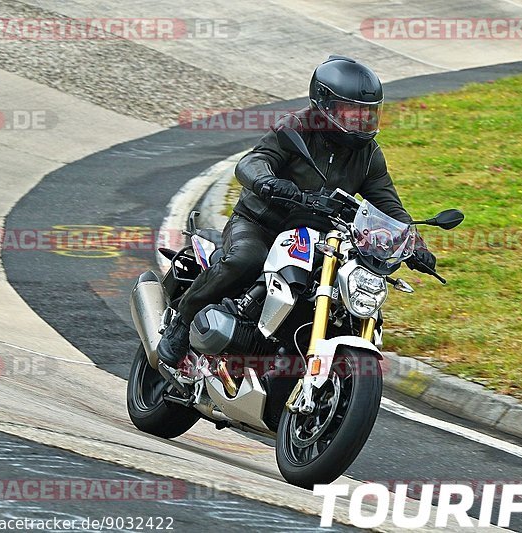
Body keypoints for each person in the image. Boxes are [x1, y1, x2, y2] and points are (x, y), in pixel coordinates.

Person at [157, 55, 437, 367]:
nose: (360, 122)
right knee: (244, 259)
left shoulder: (368, 156)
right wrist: (267, 182)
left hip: (319, 238)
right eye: (351, 113)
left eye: (367, 115)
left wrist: (414, 244)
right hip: (263, 224)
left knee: (349, 293)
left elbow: (390, 206)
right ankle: (182, 322)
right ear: (324, 105)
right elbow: (253, 161)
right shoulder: (295, 128)